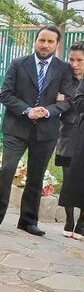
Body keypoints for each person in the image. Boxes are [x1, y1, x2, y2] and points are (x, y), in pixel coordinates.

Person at [0, 25, 75, 236]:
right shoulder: (18, 64)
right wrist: (27, 110)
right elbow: (6, 94)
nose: (45, 45)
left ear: (57, 45)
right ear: (35, 41)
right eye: (42, 40)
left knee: (36, 176)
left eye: (50, 41)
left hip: (46, 131)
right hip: (17, 127)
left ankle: (28, 221)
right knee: (6, 170)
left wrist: (47, 111)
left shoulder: (63, 69)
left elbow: (68, 99)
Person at [55, 41, 84, 238]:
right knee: (67, 177)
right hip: (67, 132)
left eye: (79, 60)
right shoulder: (64, 79)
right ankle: (69, 219)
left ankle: (81, 223)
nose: (74, 64)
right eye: (72, 59)